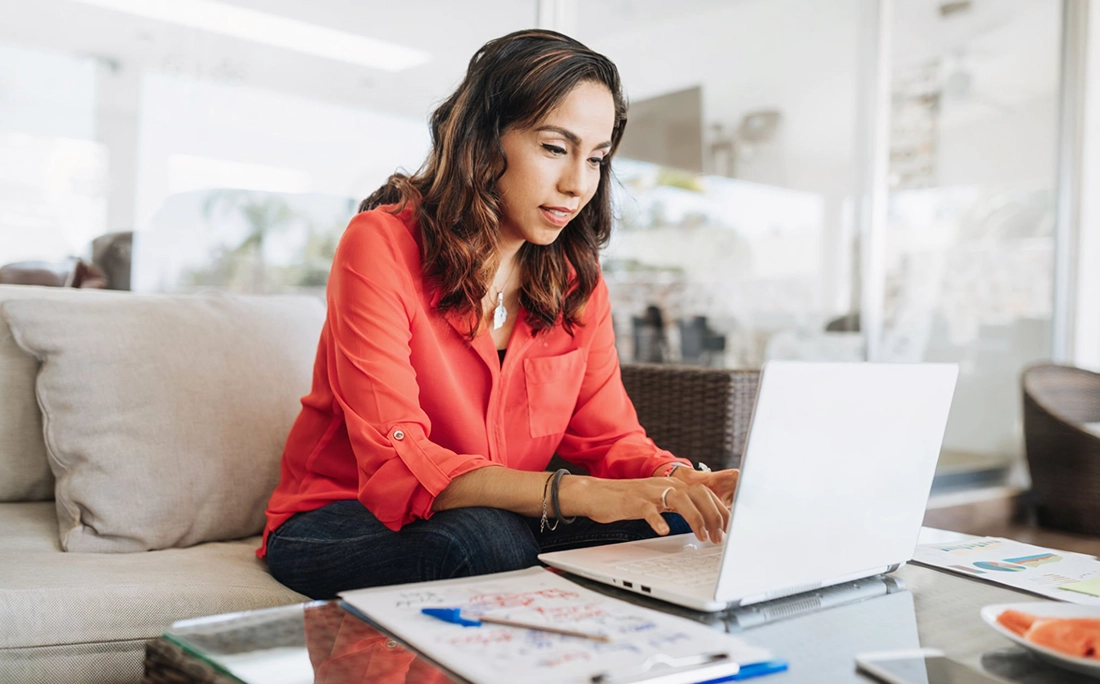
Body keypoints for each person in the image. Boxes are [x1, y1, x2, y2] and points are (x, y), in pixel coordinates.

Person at [260, 29, 739, 600]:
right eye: (555, 148)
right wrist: (581, 497)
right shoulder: (380, 244)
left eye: (596, 158)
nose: (577, 184)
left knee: (684, 523)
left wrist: (680, 482)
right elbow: (398, 463)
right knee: (487, 541)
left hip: (507, 516)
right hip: (342, 518)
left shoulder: (575, 284)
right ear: (485, 140)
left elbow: (612, 441)